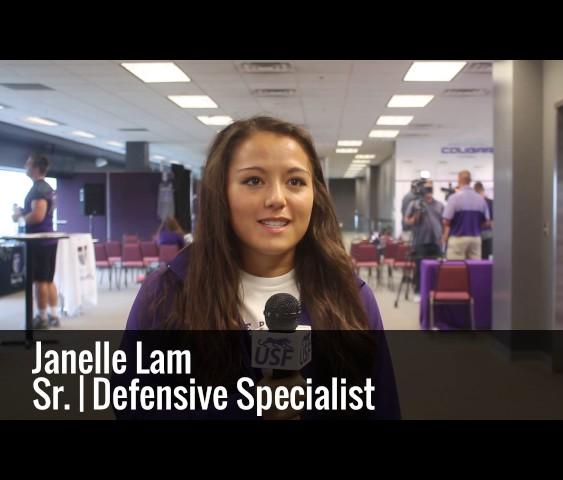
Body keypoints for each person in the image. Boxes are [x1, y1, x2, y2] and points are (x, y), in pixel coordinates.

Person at [125, 116, 400, 420]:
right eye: (253, 181)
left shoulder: (352, 297)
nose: (276, 199)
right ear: (221, 193)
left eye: (295, 181)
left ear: (315, 195)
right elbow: (135, 408)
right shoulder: (166, 294)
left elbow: (381, 408)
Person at [11, 154, 60, 328]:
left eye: (28, 163)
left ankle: (43, 318)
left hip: (40, 241)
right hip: (46, 240)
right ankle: (53, 315)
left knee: (40, 281)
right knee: (47, 279)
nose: (25, 165)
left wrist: (20, 216)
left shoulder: (39, 189)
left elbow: (38, 215)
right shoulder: (44, 188)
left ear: (36, 168)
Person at [404, 180, 444, 301]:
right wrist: (416, 217)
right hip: (420, 241)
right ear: (422, 190)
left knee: (437, 268)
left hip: (436, 242)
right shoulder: (415, 204)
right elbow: (407, 220)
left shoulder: (440, 205)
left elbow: (444, 222)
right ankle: (418, 292)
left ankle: (434, 291)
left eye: (431, 189)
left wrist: (443, 237)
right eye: (426, 189)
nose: (429, 191)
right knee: (419, 268)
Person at [441, 170, 491, 260]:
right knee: (475, 268)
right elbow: (487, 222)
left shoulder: (454, 198)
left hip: (458, 238)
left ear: (459, 180)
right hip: (475, 239)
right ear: (470, 181)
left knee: (456, 268)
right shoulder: (480, 199)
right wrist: (475, 225)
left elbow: (446, 221)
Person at [474, 181, 493, 259]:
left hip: (485, 234)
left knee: (484, 257)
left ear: (483, 191)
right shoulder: (474, 203)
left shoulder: (490, 203)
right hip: (477, 235)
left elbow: (492, 222)